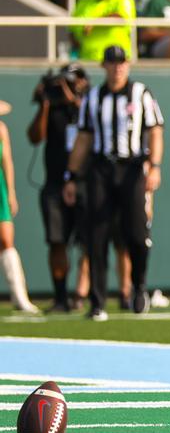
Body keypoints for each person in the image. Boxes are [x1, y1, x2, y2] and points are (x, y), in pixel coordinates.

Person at [63, 46, 165, 320]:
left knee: (137, 235)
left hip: (132, 168)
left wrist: (154, 166)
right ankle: (98, 301)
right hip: (101, 168)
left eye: (122, 63)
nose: (118, 67)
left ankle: (139, 288)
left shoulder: (141, 93)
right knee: (97, 236)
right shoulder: (94, 97)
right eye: (112, 63)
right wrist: (71, 176)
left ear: (128, 65)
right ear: (104, 66)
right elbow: (83, 139)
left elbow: (155, 131)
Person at [27, 65, 91, 312]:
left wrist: (74, 101)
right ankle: (61, 296)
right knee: (57, 241)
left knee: (88, 242)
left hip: (84, 182)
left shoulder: (89, 104)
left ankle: (83, 294)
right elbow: (34, 137)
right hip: (54, 183)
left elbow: (92, 130)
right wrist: (45, 104)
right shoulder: (52, 106)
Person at [0, 105, 39, 313]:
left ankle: (19, 297)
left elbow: (7, 162)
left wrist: (10, 192)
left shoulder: (1, 129)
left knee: (6, 240)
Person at [70, 0, 136, 62]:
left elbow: (121, 18)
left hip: (117, 61)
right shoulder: (84, 2)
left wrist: (95, 22)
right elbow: (73, 31)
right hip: (88, 59)